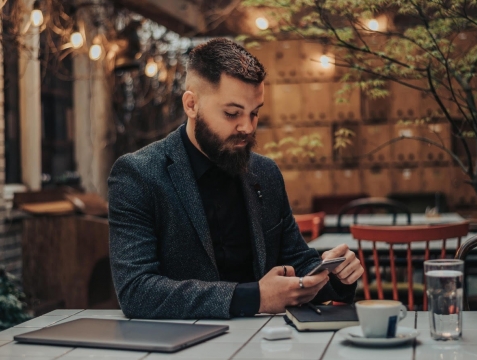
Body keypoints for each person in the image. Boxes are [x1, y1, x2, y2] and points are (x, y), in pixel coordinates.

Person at [108, 38, 364, 319]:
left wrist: (332, 273)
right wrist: (254, 298)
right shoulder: (138, 175)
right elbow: (136, 291)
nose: (247, 127)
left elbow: (295, 261)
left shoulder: (265, 173)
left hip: (265, 343)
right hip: (178, 345)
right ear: (191, 105)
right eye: (232, 113)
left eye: (255, 113)